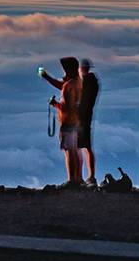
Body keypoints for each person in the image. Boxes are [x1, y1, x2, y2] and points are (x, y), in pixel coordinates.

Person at [39, 57, 83, 185]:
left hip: (68, 122)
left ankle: (71, 181)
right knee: (75, 151)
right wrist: (47, 78)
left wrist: (55, 104)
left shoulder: (69, 85)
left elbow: (67, 106)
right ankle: (78, 178)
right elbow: (62, 87)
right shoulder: (77, 82)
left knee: (69, 151)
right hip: (76, 121)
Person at [77, 57, 101, 187]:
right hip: (87, 118)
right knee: (87, 148)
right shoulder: (94, 82)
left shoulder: (85, 82)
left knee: (79, 148)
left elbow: (81, 101)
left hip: (81, 119)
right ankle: (90, 176)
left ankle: (81, 177)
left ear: (81, 69)